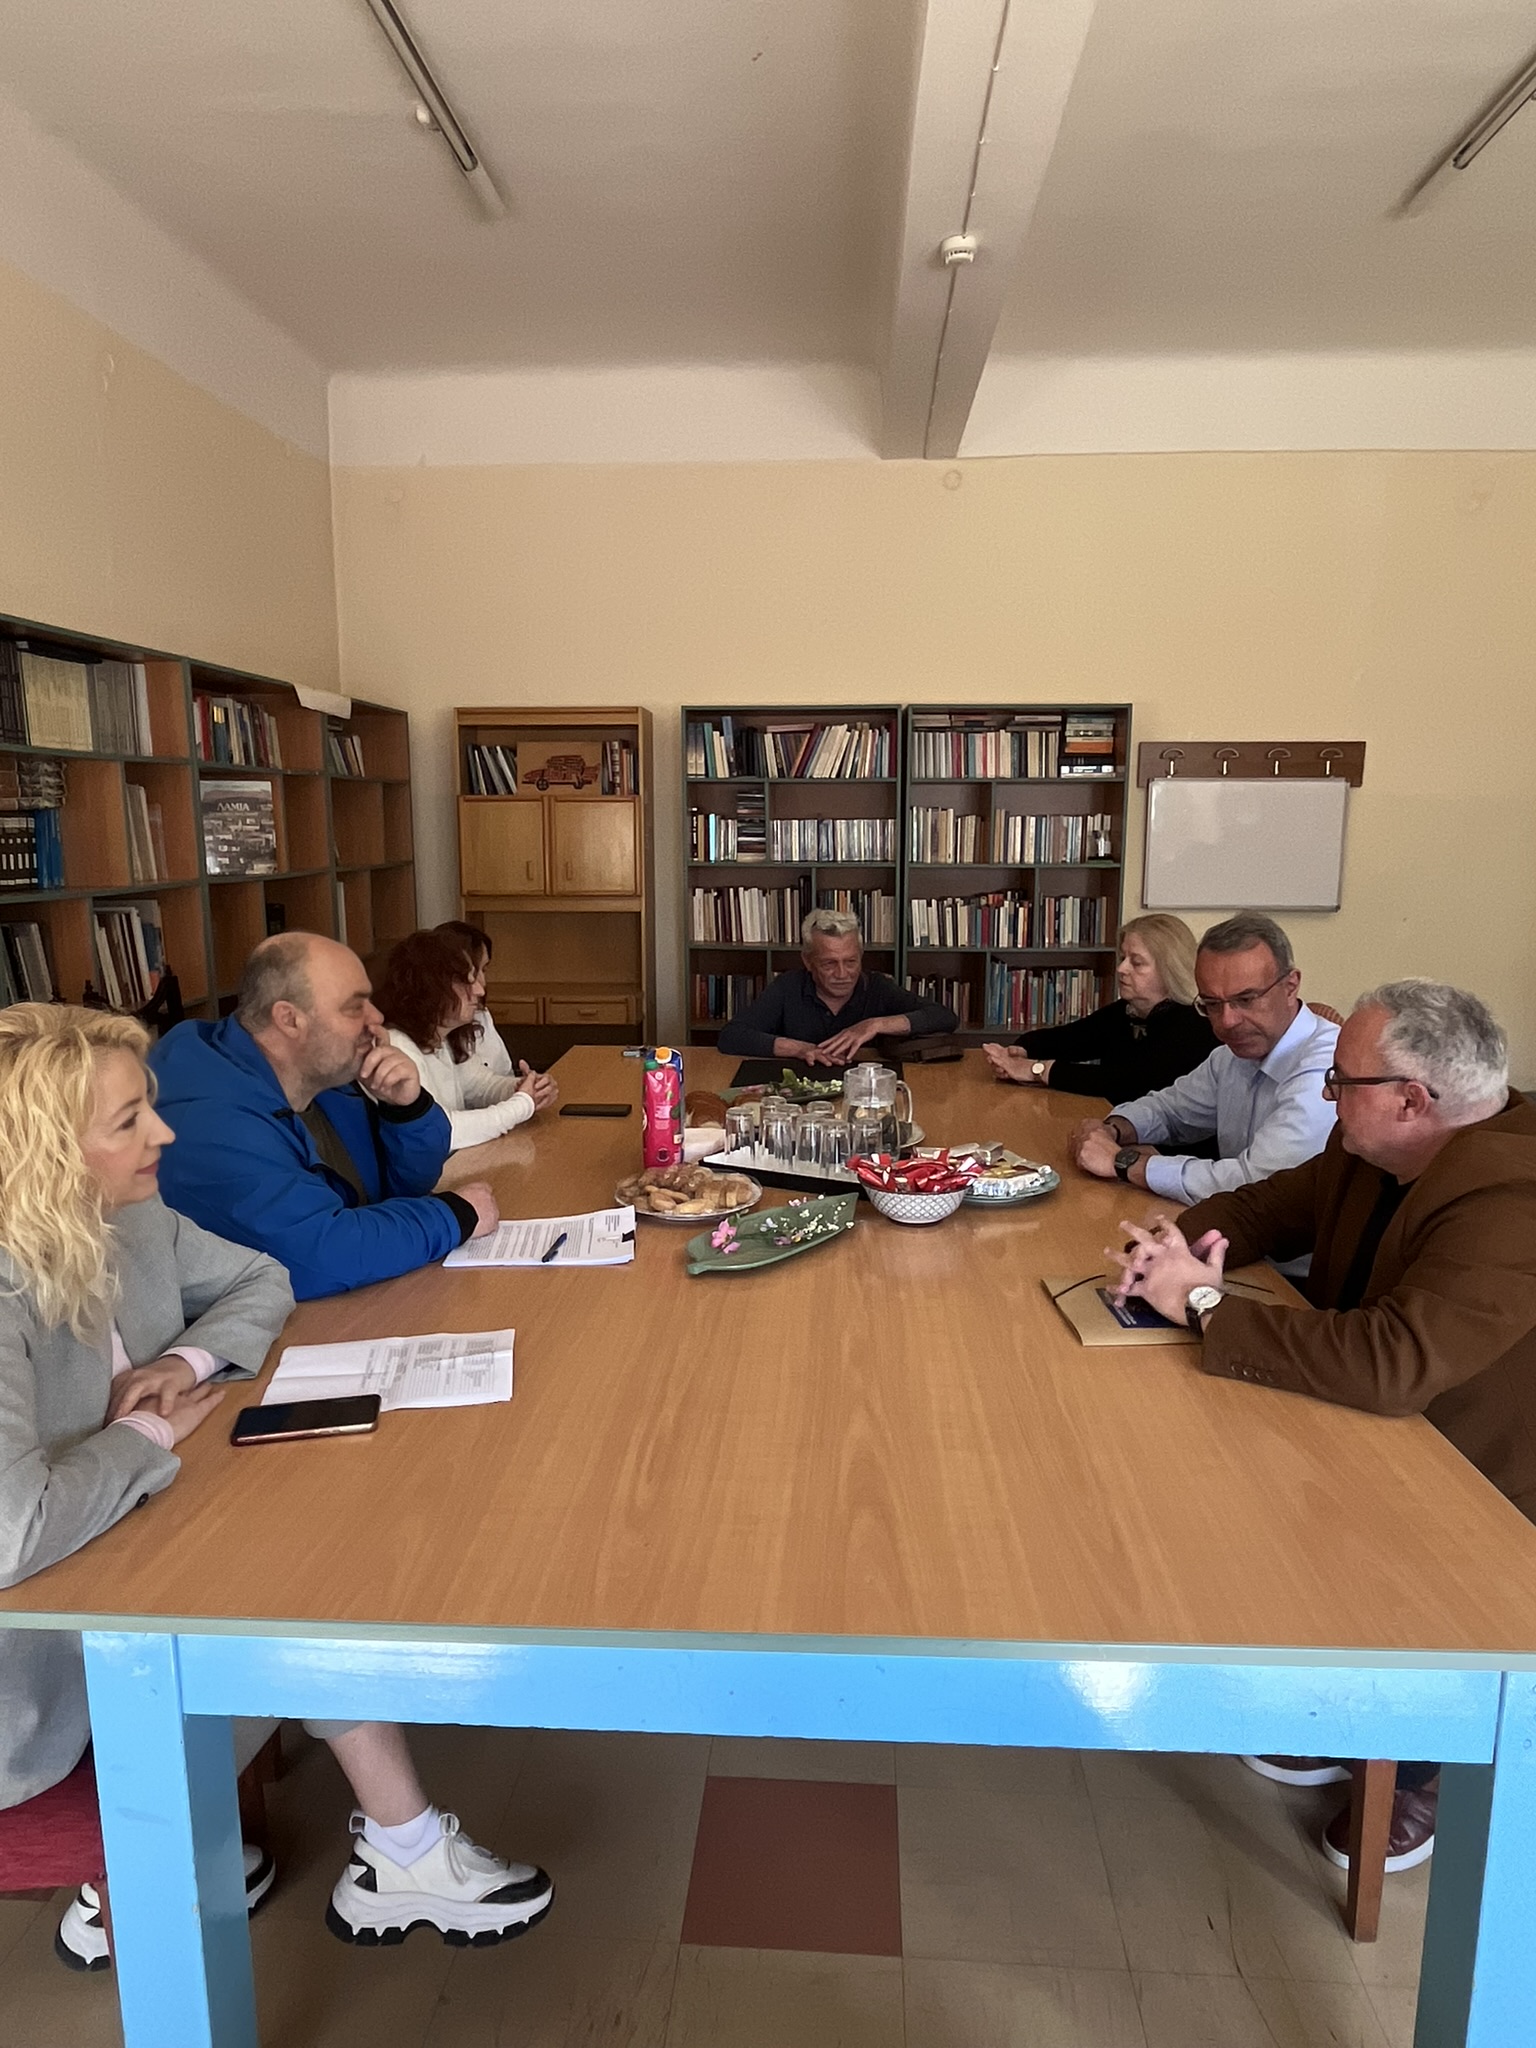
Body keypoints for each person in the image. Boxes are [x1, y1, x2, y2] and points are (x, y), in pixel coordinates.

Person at [0, 1005, 552, 1970]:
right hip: (31, 1675)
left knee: (303, 1547)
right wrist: (143, 1433)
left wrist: (183, 1359)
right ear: (45, 1151)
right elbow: (13, 1532)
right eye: (129, 1120)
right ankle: (367, 1854)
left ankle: (381, 1848)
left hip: (117, 1554)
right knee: (303, 1590)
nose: (162, 1133)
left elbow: (261, 1277)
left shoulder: (127, 1215)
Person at [1110, 978, 1536, 1877]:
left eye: (1343, 1080)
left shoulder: (1513, 1194)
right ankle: (1343, 1716)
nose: (1328, 1094)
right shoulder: (1372, 1145)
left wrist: (1202, 1304)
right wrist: (1173, 1246)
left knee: (1370, 1567)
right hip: (1389, 1431)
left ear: (1413, 1100)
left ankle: (1422, 1767)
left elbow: (1391, 1362)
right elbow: (1265, 1208)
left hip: (1485, 1480)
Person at [149, 933, 499, 1300]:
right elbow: (320, 1255)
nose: (377, 1018)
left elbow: (403, 1189)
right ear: (290, 1020)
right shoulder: (211, 1120)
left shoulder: (321, 1078)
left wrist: (405, 1109)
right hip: (263, 1325)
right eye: (355, 1007)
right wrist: (455, 1215)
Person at [1068, 912, 1339, 1210]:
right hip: (1232, 1224)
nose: (1228, 1021)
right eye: (1212, 1004)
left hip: (1289, 1238)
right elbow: (1170, 1110)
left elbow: (1257, 1183)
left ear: (1290, 986)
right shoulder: (1232, 1055)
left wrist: (1125, 1162)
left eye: (1245, 1000)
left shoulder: (1326, 1068)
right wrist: (1113, 1130)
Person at [983, 914, 1216, 1099]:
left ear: (1170, 970)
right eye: (1122, 958)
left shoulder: (1194, 1023)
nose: (1121, 969)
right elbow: (1069, 1039)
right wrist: (1021, 1051)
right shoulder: (1127, 1011)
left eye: (1136, 962)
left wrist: (1037, 1070)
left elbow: (1126, 1082)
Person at [376, 930, 558, 1150]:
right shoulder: (398, 1047)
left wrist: (523, 1088)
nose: (480, 990)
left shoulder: (442, 1038)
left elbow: (481, 1086)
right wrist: (521, 1104)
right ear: (430, 987)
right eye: (466, 982)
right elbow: (443, 1130)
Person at [716, 907, 959, 1065]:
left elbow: (944, 1017)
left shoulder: (877, 987)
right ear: (808, 961)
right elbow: (732, 1037)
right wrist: (801, 1049)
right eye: (829, 963)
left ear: (861, 956)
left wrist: (874, 1025)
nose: (843, 974)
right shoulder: (787, 987)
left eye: (851, 962)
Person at [434, 920, 515, 1080]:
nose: (481, 985)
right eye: (468, 975)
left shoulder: (478, 1014)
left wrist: (523, 1085)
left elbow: (488, 1081)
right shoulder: (427, 1041)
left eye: (484, 970)